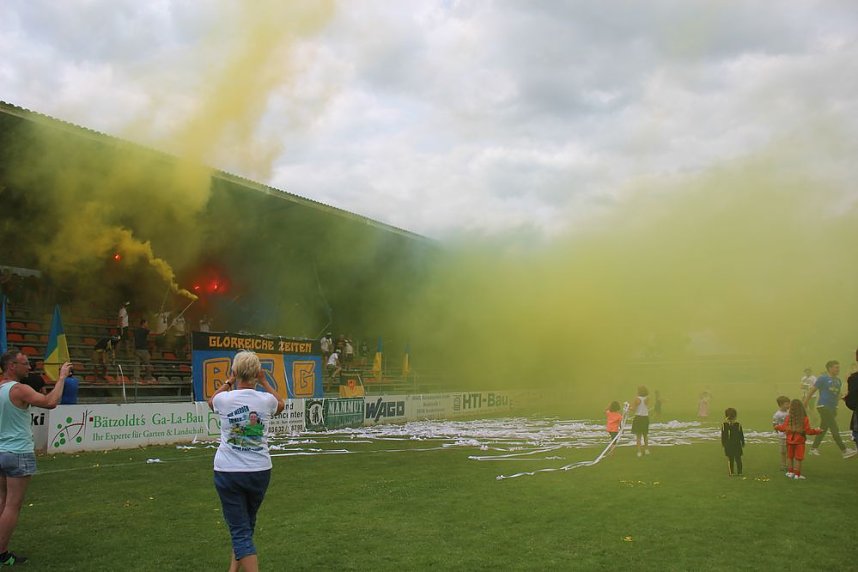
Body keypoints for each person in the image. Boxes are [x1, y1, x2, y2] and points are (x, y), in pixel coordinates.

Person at [208, 351, 284, 572]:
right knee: (246, 526)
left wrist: (228, 381)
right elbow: (280, 403)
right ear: (257, 373)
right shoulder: (266, 400)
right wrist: (264, 381)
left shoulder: (224, 399)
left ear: (235, 372)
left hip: (228, 472)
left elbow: (211, 401)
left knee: (240, 530)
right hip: (259, 471)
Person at [0, 350, 71, 565]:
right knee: (12, 505)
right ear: (12, 365)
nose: (29, 367)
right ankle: (2, 553)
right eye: (25, 363)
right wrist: (61, 378)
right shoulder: (19, 389)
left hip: (1, 450)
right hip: (18, 452)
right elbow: (50, 401)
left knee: (2, 501)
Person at [804, 360, 858, 458]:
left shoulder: (838, 381)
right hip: (823, 406)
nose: (838, 369)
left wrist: (845, 397)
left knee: (823, 429)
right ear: (830, 368)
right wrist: (806, 402)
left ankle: (813, 448)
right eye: (836, 367)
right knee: (834, 428)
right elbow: (813, 390)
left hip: (832, 408)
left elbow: (837, 394)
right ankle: (844, 450)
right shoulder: (823, 378)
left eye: (838, 367)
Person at [775, 399, 822, 479]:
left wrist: (777, 426)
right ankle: (797, 474)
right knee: (798, 458)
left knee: (790, 457)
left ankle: (790, 472)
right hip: (800, 441)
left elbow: (783, 428)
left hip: (789, 441)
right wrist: (817, 431)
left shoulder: (788, 417)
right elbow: (808, 431)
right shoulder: (804, 418)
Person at [721, 408, 745, 477]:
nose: (731, 420)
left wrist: (742, 442)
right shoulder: (725, 425)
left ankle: (740, 472)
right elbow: (723, 435)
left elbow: (741, 434)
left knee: (738, 459)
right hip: (728, 445)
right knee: (730, 459)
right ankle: (731, 472)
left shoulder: (738, 425)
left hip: (737, 445)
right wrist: (724, 443)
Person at [772, 396, 790, 472]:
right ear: (781, 405)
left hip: (790, 435)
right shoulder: (777, 414)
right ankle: (783, 464)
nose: (789, 405)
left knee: (790, 451)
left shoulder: (789, 413)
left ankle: (790, 465)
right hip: (782, 436)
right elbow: (775, 425)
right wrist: (779, 432)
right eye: (787, 404)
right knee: (783, 451)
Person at [630, 386, 650, 457]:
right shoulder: (647, 398)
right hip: (645, 418)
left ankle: (639, 451)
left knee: (638, 436)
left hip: (638, 418)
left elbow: (633, 409)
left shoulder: (637, 399)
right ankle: (646, 450)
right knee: (645, 435)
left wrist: (628, 407)